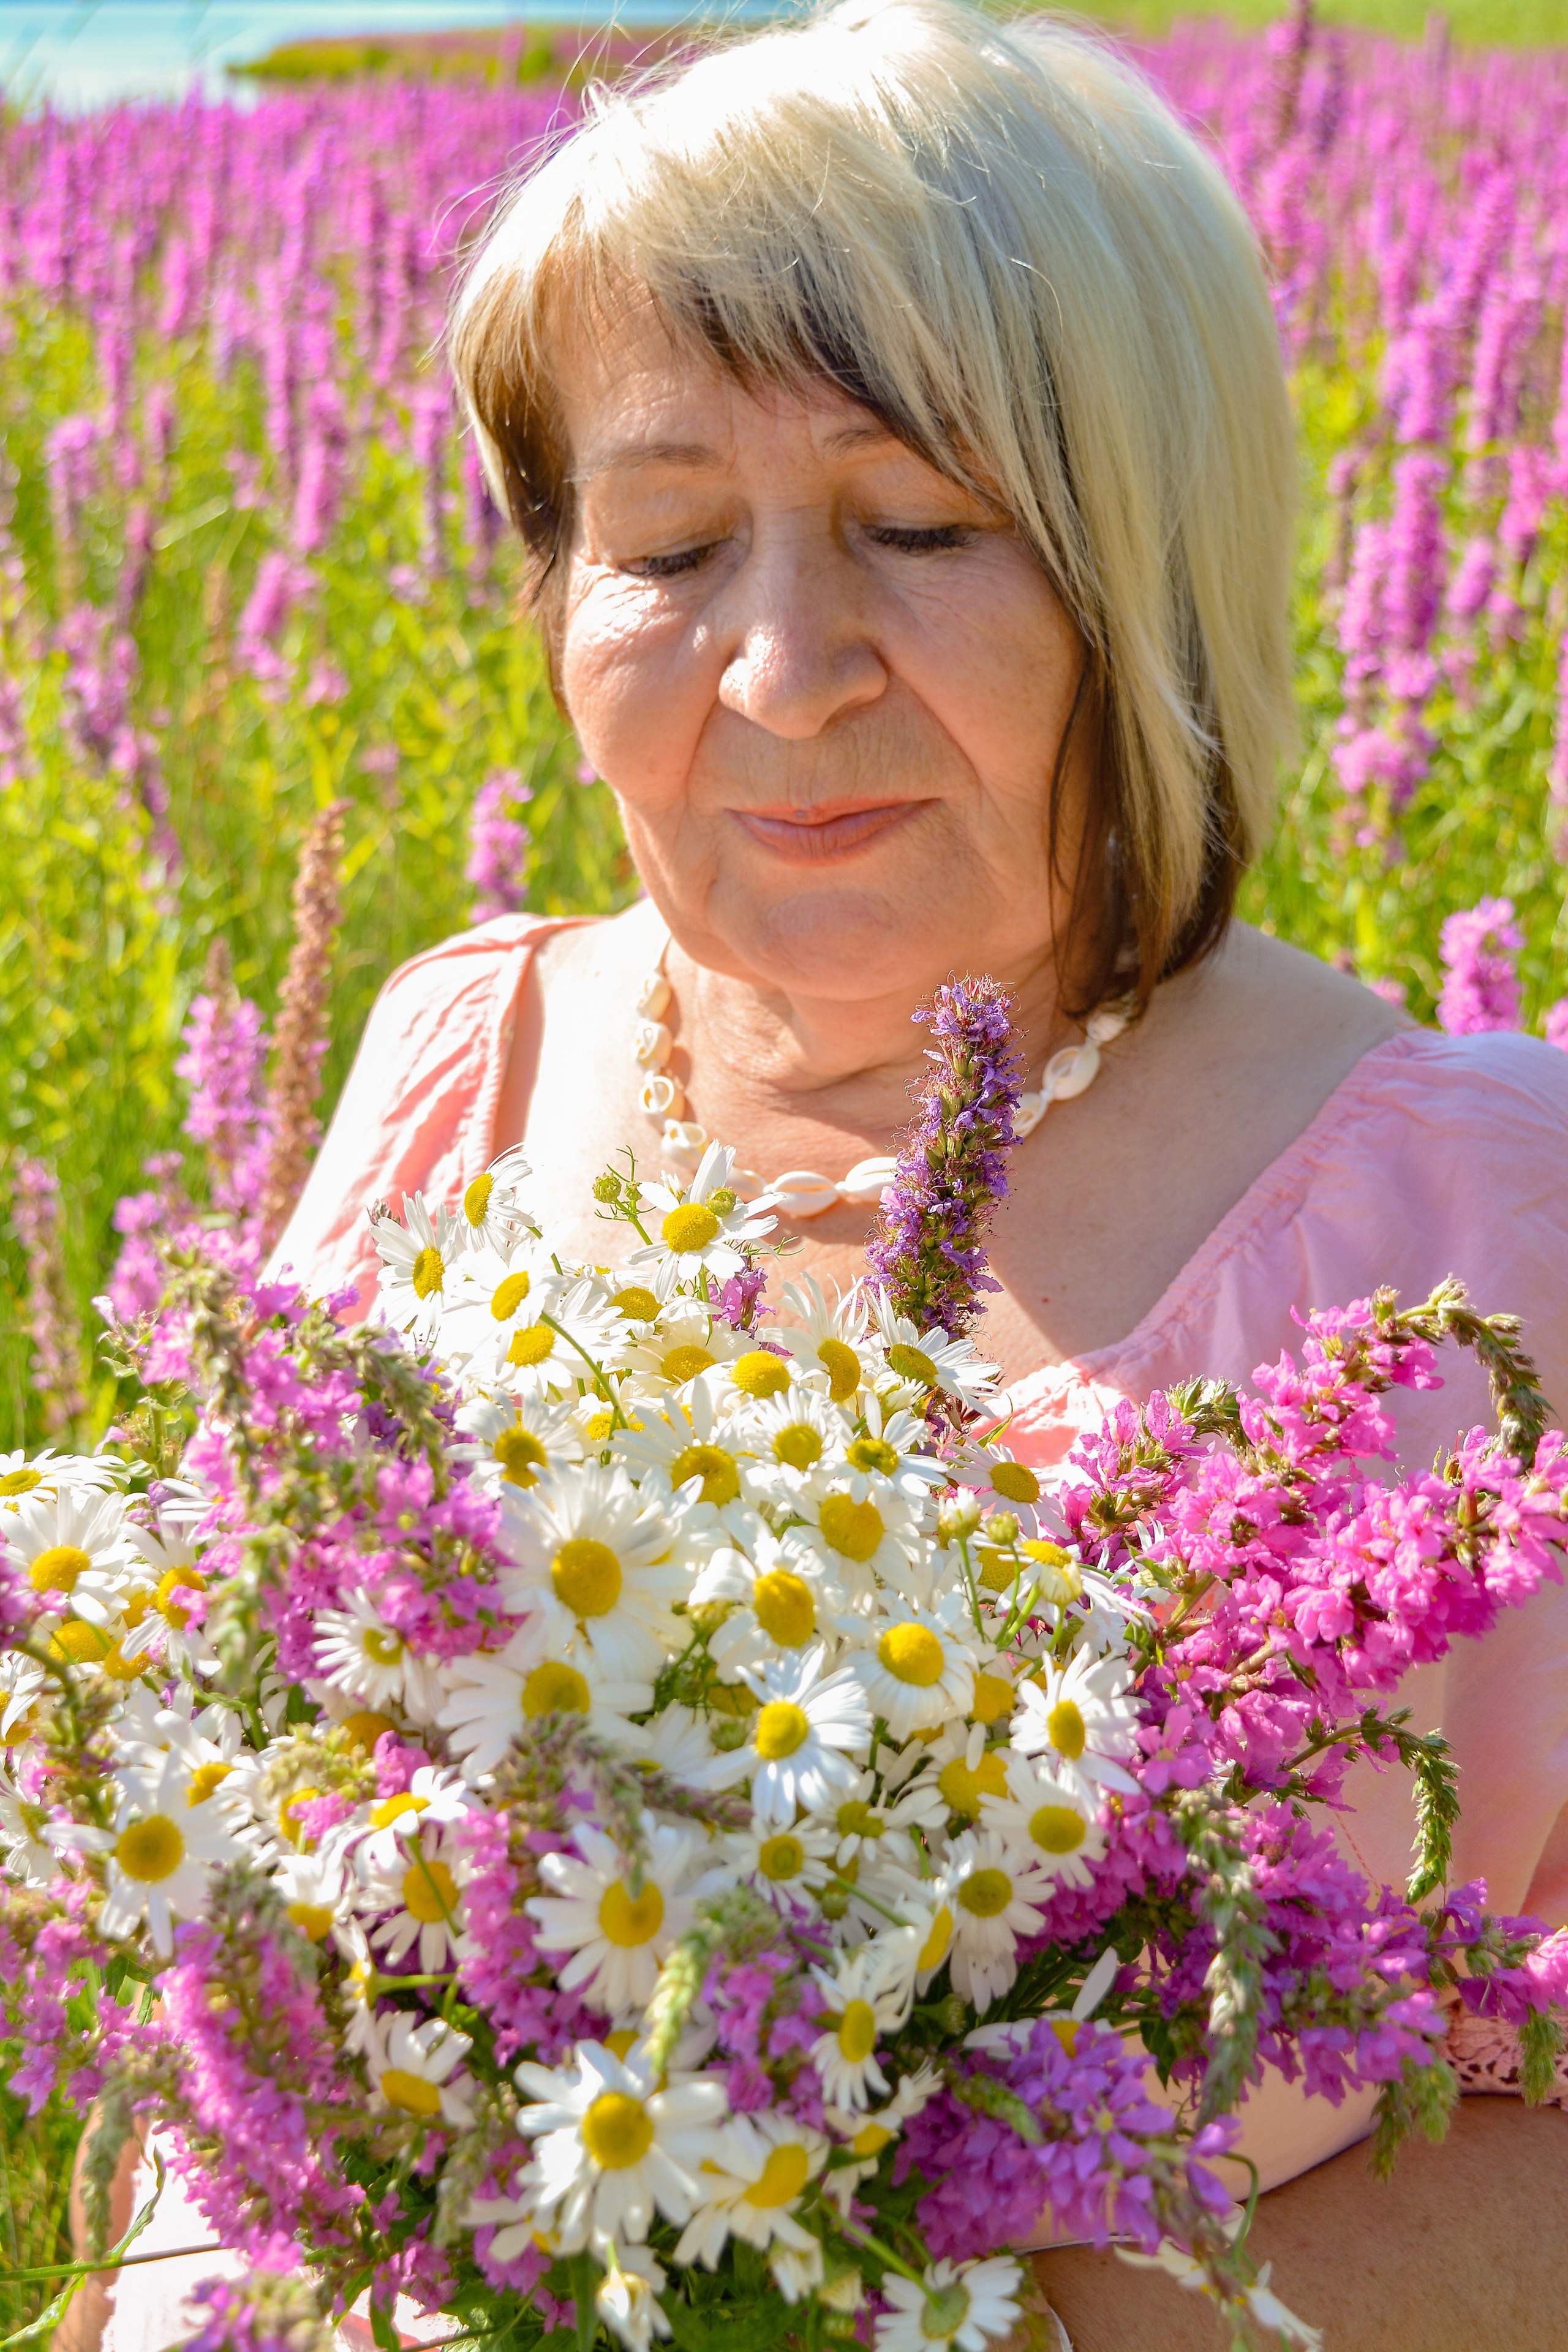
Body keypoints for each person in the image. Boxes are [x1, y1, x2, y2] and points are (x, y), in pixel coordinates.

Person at [96, 4, 1568, 2348]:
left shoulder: (1502, 1250)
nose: (781, 668)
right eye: (667, 540)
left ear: (1148, 573)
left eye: (920, 525)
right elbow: (220, 1943)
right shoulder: (449, 1060)